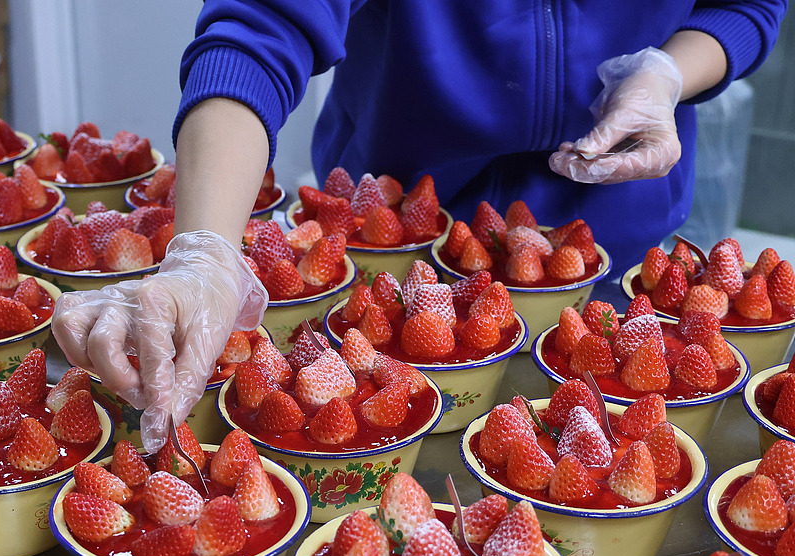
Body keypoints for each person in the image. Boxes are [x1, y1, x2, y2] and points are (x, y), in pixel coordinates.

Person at [53, 0, 787, 452]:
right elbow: (259, 27)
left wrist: (666, 70)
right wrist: (204, 250)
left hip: (614, 264)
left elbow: (747, 2)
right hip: (390, 260)